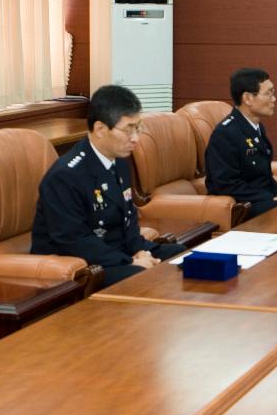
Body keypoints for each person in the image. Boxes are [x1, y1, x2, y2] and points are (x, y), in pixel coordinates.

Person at [31, 84, 185, 285]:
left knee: (181, 255)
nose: (136, 139)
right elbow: (76, 242)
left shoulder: (118, 160)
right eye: (128, 130)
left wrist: (139, 251)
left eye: (137, 128)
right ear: (100, 129)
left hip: (116, 254)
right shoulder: (65, 176)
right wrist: (131, 261)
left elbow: (128, 220)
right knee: (141, 277)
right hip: (82, 266)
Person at [204, 67, 277, 218]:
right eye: (268, 94)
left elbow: (263, 176)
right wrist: (269, 198)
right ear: (248, 98)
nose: (274, 99)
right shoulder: (225, 133)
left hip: (265, 197)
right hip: (246, 205)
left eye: (273, 93)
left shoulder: (256, 127)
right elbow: (225, 184)